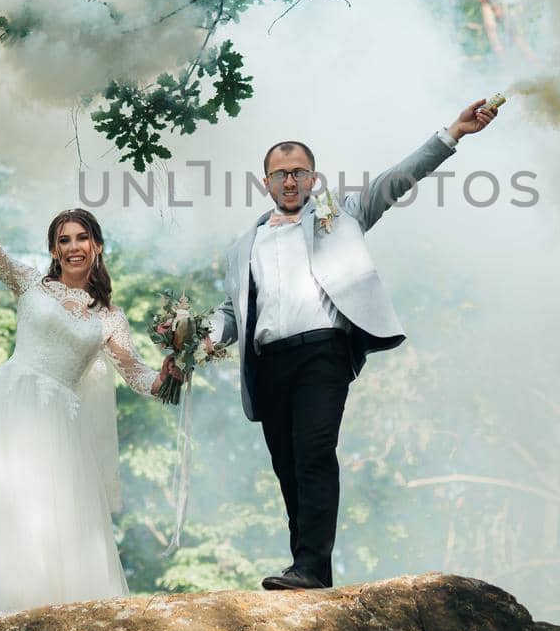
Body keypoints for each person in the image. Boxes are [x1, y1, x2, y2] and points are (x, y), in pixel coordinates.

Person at [204, 99, 499, 591]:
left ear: (314, 179)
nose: (290, 182)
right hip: (268, 361)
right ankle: (310, 572)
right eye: (280, 175)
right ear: (266, 183)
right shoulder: (244, 245)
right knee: (287, 465)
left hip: (322, 352)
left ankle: (309, 565)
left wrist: (453, 134)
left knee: (315, 451)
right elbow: (233, 311)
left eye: (299, 173)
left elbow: (396, 179)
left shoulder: (340, 213)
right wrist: (201, 334)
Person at [0, 159, 176, 631]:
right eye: (63, 240)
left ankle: (46, 618)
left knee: (50, 515)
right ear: (52, 249)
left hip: (61, 425)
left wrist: (174, 369)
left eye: (81, 238)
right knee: (0, 499)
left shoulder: (110, 319)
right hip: (8, 403)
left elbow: (137, 375)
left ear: (97, 246)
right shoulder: (29, 283)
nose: (73, 247)